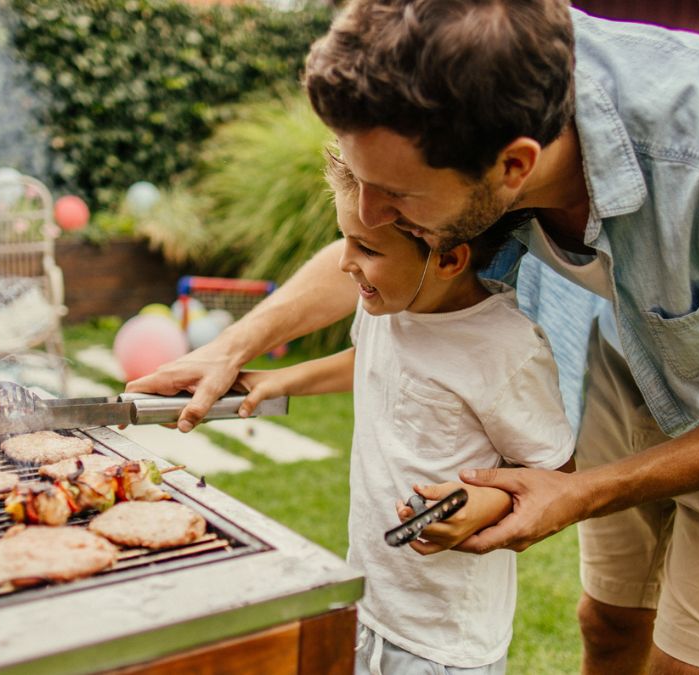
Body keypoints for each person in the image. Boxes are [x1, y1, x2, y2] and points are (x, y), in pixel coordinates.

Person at [128, 1, 699, 673]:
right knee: (608, 622)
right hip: (622, 347)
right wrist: (233, 345)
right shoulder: (480, 91)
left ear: (514, 169)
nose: (371, 214)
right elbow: (389, 255)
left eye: (397, 195)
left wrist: (583, 491)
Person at [236, 152, 575, 672]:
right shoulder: (391, 305)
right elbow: (370, 363)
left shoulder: (505, 349)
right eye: (347, 239)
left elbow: (555, 470)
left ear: (447, 259)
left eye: (366, 248)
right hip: (371, 601)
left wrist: (486, 501)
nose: (346, 263)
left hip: (443, 641)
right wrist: (279, 380)